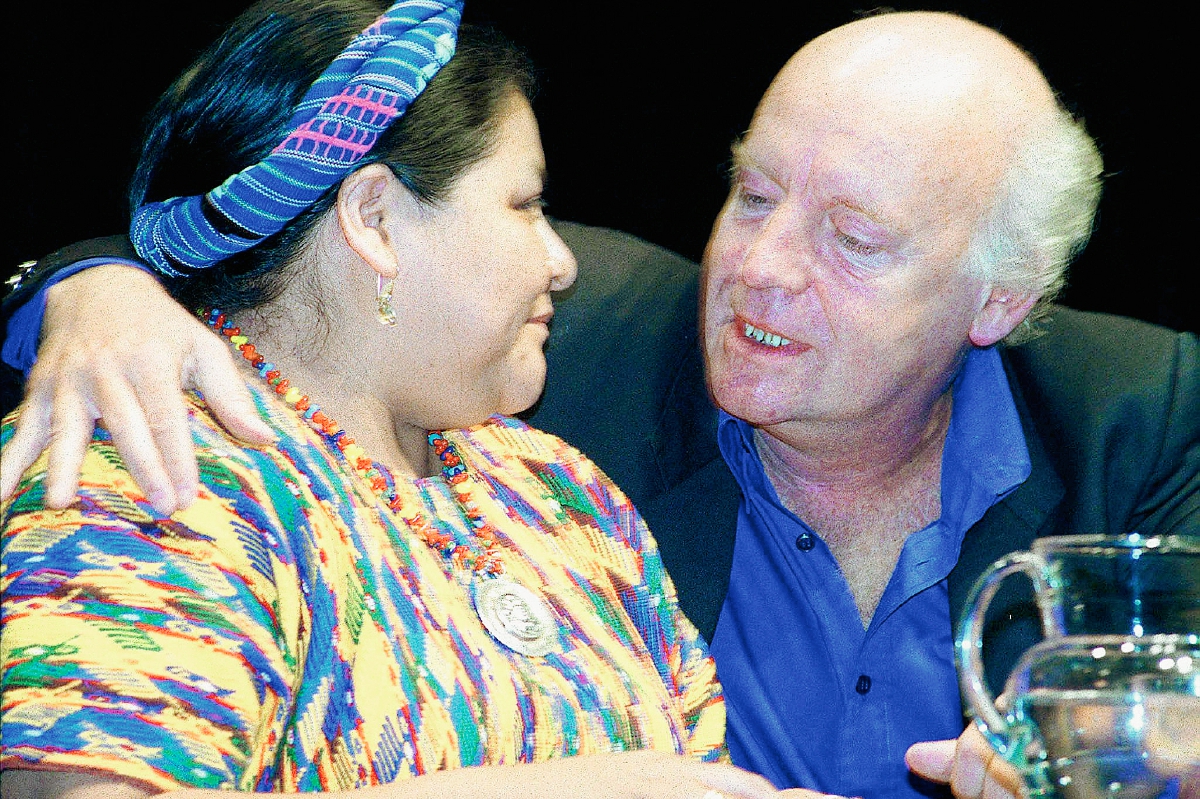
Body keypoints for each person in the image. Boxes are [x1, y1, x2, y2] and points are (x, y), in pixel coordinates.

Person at [3, 9, 1197, 799]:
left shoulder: (552, 484)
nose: (763, 266)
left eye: (853, 239)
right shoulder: (164, 448)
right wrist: (83, 283)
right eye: (754, 192)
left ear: (999, 297)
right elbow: (243, 213)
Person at [0, 1, 817, 798]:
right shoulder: (147, 462)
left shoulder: (561, 489)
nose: (562, 261)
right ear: (374, 218)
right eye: (525, 205)